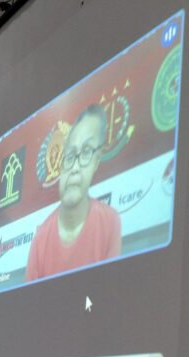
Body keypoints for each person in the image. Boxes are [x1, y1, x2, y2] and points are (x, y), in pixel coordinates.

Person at [25, 104, 121, 281]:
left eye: (86, 152)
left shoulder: (110, 222)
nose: (75, 168)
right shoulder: (40, 240)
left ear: (96, 161)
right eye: (69, 156)